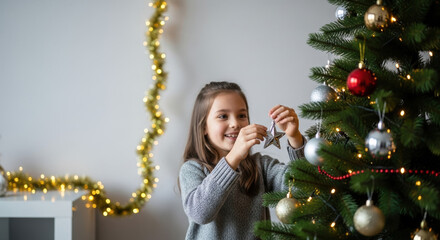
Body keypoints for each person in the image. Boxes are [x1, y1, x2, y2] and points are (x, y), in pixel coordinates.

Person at [179, 81, 305, 239]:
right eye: (223, 116)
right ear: (204, 126)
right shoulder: (191, 169)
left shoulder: (261, 166)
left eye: (241, 115)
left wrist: (295, 138)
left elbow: (302, 189)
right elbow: (200, 213)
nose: (235, 124)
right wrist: (234, 156)